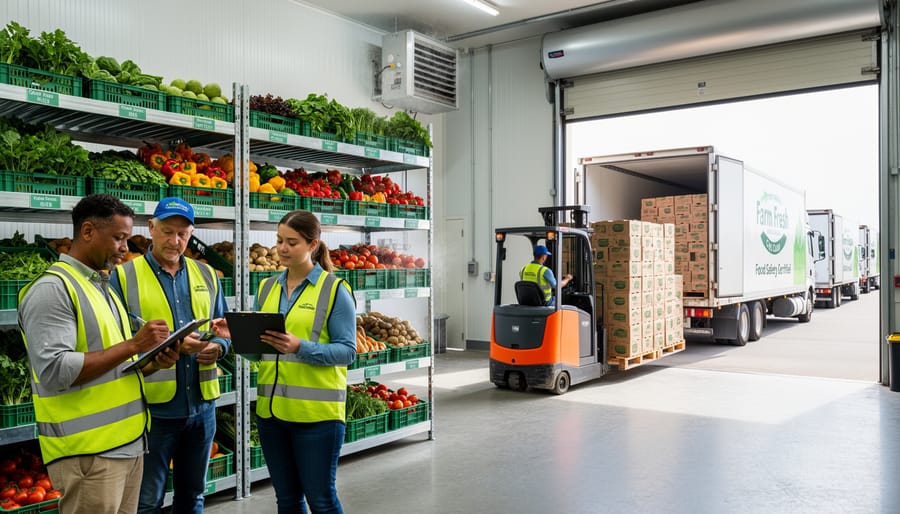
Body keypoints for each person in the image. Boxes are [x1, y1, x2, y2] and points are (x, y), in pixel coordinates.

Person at [18, 194, 177, 514]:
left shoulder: (100, 286)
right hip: (89, 454)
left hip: (127, 445)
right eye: (118, 238)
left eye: (127, 238)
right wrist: (134, 345)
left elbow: (115, 366)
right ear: (88, 231)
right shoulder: (53, 290)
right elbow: (55, 371)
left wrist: (150, 363)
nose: (124, 248)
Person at [211, 210, 355, 514]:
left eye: (292, 242)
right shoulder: (266, 288)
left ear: (313, 244)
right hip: (271, 415)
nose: (283, 248)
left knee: (322, 500)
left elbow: (347, 352)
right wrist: (236, 337)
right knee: (287, 501)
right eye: (279, 241)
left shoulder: (334, 290)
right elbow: (259, 353)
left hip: (317, 418)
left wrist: (300, 346)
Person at [109, 197, 230, 514]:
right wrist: (159, 349)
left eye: (183, 233)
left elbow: (223, 329)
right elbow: (116, 343)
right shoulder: (123, 277)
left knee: (193, 497)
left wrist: (218, 347)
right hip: (153, 412)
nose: (175, 241)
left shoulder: (207, 275)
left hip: (202, 408)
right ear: (150, 228)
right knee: (147, 501)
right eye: (167, 231)